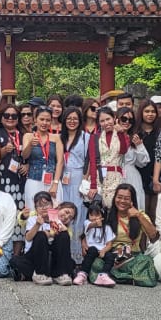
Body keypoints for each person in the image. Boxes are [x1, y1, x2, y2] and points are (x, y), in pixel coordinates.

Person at [92, 184, 158, 287]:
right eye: (119, 197)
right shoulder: (108, 214)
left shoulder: (140, 214)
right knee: (96, 263)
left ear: (132, 200)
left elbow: (153, 235)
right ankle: (130, 278)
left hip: (132, 257)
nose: (122, 201)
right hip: (111, 257)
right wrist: (83, 241)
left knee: (146, 261)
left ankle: (114, 277)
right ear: (115, 198)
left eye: (126, 198)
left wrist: (138, 216)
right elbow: (92, 231)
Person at [12, 191, 76, 285]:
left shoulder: (58, 220)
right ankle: (39, 273)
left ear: (52, 205)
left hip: (53, 258)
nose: (44, 208)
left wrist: (59, 231)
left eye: (47, 204)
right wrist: (37, 225)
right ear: (36, 208)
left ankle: (60, 274)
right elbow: (28, 238)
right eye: (40, 205)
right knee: (40, 236)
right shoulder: (33, 218)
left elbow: (64, 246)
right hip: (35, 257)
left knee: (64, 236)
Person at [58, 107, 90, 255]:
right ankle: (63, 252)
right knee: (63, 213)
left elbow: (90, 161)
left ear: (80, 121)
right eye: (69, 118)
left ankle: (76, 256)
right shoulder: (60, 137)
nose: (72, 121)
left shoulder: (85, 137)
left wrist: (85, 180)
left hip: (78, 177)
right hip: (63, 177)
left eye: (75, 119)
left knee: (77, 215)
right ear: (64, 120)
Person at [21, 106, 63, 208]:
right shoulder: (28, 136)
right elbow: (24, 156)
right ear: (35, 120)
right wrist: (30, 144)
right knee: (33, 211)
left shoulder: (56, 138)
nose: (44, 123)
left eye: (48, 120)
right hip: (34, 179)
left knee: (54, 211)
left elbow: (60, 162)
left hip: (52, 179)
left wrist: (56, 183)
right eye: (42, 119)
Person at [0, 103, 26, 205]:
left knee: (19, 209)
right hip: (2, 177)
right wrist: (4, 150)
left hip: (20, 178)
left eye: (14, 116)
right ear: (1, 117)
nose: (10, 118)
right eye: (7, 115)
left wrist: (27, 165)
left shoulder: (23, 134)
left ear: (18, 118)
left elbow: (31, 155)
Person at [78, 201, 112, 284]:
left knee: (110, 256)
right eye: (91, 215)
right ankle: (83, 273)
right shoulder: (87, 223)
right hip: (91, 249)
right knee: (92, 249)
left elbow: (109, 244)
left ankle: (104, 275)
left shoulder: (107, 228)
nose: (93, 217)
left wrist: (104, 250)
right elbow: (90, 225)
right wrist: (95, 223)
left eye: (97, 215)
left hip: (102, 250)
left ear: (102, 215)